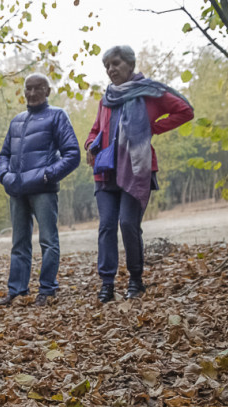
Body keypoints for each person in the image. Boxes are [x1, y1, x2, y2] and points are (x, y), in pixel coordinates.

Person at [85, 46, 194, 303]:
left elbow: (185, 111)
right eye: (107, 66)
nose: (111, 69)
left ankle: (136, 280)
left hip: (136, 169)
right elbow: (95, 130)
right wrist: (90, 144)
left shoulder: (149, 92)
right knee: (107, 226)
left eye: (116, 63)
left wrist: (151, 128)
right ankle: (107, 284)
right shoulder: (107, 98)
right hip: (105, 172)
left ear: (130, 64)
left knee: (128, 224)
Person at [0, 73, 80, 308]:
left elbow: (72, 154)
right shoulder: (17, 121)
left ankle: (47, 289)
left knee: (48, 241)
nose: (31, 93)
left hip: (43, 190)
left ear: (48, 91)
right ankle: (17, 291)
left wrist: (48, 174)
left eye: (37, 88)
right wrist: (4, 175)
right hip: (17, 190)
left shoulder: (57, 116)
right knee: (19, 242)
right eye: (27, 89)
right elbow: (4, 154)